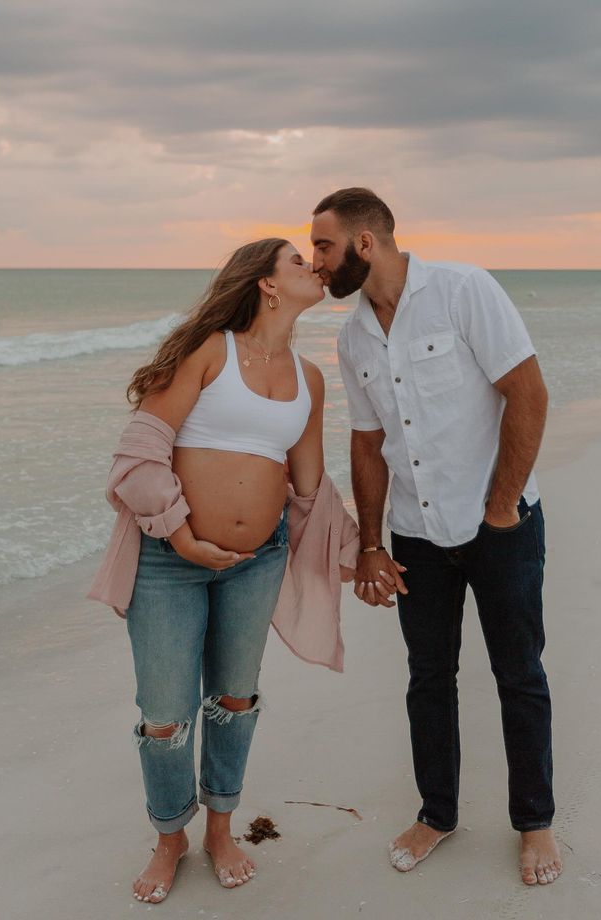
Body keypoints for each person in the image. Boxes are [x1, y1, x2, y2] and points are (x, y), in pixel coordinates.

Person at [88, 238, 358, 903]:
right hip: (168, 562)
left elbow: (309, 489)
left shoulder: (310, 378)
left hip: (255, 563)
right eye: (297, 261)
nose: (312, 268)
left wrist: (365, 549)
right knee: (165, 714)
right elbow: (143, 446)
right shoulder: (212, 350)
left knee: (234, 700)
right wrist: (180, 536)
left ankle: (219, 827)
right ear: (266, 284)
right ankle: (169, 836)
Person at [310, 188, 562, 886]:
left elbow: (529, 391)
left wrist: (503, 504)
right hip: (416, 534)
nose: (315, 263)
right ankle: (437, 814)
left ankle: (534, 822)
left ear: (366, 243)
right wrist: (370, 544)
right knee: (428, 679)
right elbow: (367, 443)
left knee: (519, 675)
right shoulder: (353, 334)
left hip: (499, 525)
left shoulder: (462, 290)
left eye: (324, 247)